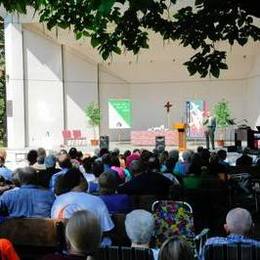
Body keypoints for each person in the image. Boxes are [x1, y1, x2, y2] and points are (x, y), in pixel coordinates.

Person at [51, 168, 114, 241]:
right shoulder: (96, 201)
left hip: (63, 247)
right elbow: (107, 229)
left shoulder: (58, 200)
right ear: (81, 179)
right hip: (91, 248)